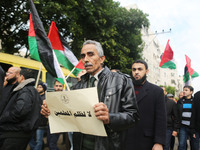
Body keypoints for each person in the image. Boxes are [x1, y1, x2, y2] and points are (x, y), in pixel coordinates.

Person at [41, 40, 139, 150]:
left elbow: (133, 117)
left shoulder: (121, 81)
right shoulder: (76, 87)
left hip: (108, 145)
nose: (86, 59)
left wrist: (110, 118)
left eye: (90, 54)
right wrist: (52, 113)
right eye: (83, 56)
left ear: (102, 59)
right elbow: (70, 118)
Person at [126, 59, 166, 150]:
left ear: (146, 71)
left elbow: (161, 119)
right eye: (134, 69)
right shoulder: (125, 89)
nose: (136, 72)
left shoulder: (157, 91)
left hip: (146, 141)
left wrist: (159, 142)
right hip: (126, 139)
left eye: (140, 69)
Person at [0, 68, 42, 150]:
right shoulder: (32, 91)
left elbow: (20, 111)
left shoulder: (25, 91)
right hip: (19, 132)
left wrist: (3, 117)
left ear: (22, 77)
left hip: (15, 133)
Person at [46, 78, 67, 150]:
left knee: (52, 144)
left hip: (58, 124)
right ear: (54, 86)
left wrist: (60, 126)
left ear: (63, 87)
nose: (58, 88)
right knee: (49, 142)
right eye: (57, 86)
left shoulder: (65, 97)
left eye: (60, 86)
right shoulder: (50, 96)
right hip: (50, 123)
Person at [177, 85, 199, 150]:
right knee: (181, 145)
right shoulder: (180, 101)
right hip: (183, 127)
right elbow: (177, 114)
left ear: (191, 92)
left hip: (193, 128)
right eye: (184, 90)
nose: (184, 91)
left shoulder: (195, 101)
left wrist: (195, 128)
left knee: (194, 145)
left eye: (186, 90)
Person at [29, 82, 48, 150]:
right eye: (38, 87)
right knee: (30, 139)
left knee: (38, 141)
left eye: (40, 87)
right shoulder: (35, 96)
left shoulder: (46, 98)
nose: (38, 88)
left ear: (44, 89)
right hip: (34, 122)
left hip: (41, 123)